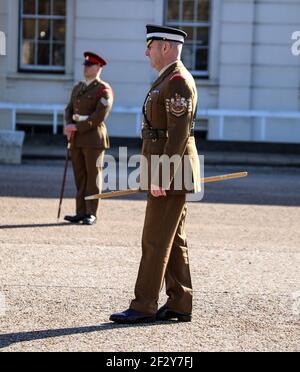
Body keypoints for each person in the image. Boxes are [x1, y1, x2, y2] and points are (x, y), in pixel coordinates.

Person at [110, 25, 201, 324]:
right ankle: (180, 301)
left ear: (165, 46)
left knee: (153, 239)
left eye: (150, 45)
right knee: (172, 239)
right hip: (166, 170)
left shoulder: (177, 81)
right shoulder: (167, 79)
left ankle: (144, 304)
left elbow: (177, 135)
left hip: (169, 173)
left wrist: (162, 174)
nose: (146, 51)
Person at [64, 51, 113, 225]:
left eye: (89, 65)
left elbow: (99, 116)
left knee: (93, 177)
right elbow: (69, 109)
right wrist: (68, 125)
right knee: (80, 177)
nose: (85, 68)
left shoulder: (103, 90)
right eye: (85, 65)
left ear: (98, 67)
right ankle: (80, 211)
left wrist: (77, 126)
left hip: (93, 139)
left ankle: (91, 212)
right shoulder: (78, 87)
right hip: (76, 138)